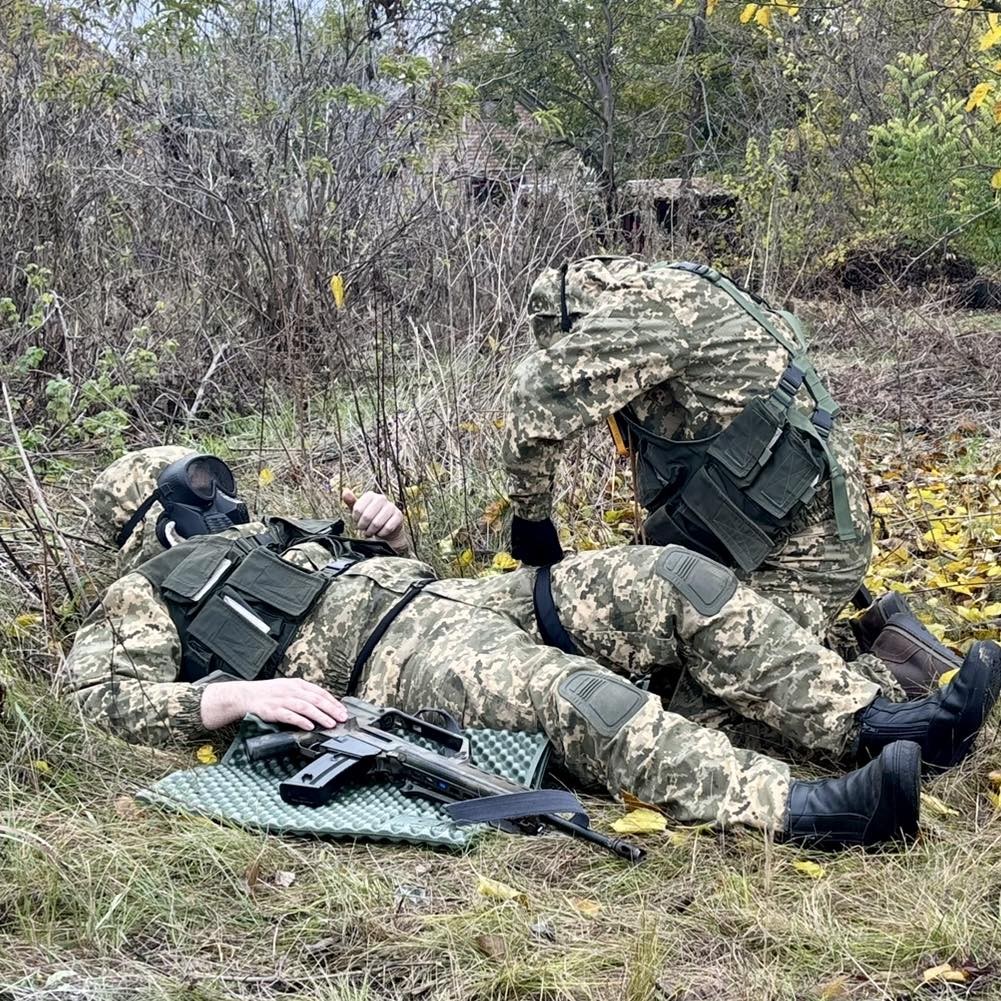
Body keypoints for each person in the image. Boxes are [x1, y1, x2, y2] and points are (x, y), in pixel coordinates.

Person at [62, 448, 1001, 851]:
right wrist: (229, 701)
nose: (220, 502)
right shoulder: (143, 591)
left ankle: (872, 717)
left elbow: (384, 580)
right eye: (193, 493)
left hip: (454, 599)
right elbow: (95, 697)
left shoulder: (277, 535)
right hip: (396, 668)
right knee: (579, 697)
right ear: (151, 517)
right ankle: (806, 809)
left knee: (672, 578)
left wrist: (387, 539)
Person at [501, 257, 957, 694]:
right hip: (760, 529)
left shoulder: (651, 310)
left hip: (805, 548)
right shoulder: (681, 291)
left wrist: (531, 518)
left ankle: (901, 673)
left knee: (711, 719)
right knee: (661, 666)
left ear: (572, 321)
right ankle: (864, 637)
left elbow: (536, 395)